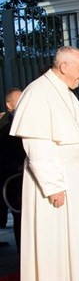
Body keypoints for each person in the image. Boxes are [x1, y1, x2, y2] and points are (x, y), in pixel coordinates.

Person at [10, 46, 79, 281]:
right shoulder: (38, 92)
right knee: (55, 238)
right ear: (64, 67)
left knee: (77, 236)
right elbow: (37, 146)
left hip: (77, 178)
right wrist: (52, 186)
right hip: (56, 181)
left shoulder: (66, 93)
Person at [0, 88, 24, 249]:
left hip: (26, 178)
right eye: (19, 101)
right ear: (9, 105)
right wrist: (18, 166)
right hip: (14, 181)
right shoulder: (4, 127)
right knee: (20, 219)